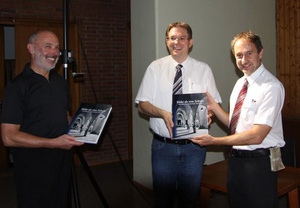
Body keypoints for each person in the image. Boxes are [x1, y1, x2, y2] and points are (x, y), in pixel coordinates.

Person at [191, 31, 285, 208]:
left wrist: (215, 141)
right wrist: (214, 107)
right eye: (239, 55)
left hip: (259, 164)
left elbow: (257, 136)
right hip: (236, 162)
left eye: (249, 53)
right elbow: (236, 125)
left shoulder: (271, 87)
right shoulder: (240, 84)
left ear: (260, 53)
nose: (244, 60)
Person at [135, 22, 221, 208]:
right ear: (167, 42)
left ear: (190, 42)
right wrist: (162, 113)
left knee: (189, 200)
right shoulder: (155, 68)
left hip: (194, 148)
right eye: (172, 38)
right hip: (163, 147)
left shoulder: (203, 69)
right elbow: (142, 106)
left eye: (182, 38)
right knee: (163, 200)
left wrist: (209, 115)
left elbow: (214, 104)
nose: (177, 42)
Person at [1, 30, 84, 208]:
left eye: (57, 48)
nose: (54, 52)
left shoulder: (60, 82)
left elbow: (64, 115)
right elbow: (8, 136)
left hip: (62, 162)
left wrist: (81, 128)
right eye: (48, 46)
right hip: (32, 167)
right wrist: (54, 143)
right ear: (31, 48)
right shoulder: (17, 86)